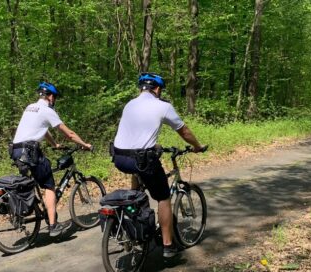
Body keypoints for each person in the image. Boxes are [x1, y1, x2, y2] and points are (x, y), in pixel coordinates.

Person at [111, 73, 206, 257]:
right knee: (163, 197)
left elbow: (134, 134)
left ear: (142, 89)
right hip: (141, 159)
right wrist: (197, 146)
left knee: (138, 174)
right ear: (157, 89)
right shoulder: (163, 106)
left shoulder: (130, 104)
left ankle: (136, 202)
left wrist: (154, 145)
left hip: (120, 157)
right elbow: (184, 131)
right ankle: (168, 245)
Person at [11, 82, 92, 236]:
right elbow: (69, 134)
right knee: (49, 185)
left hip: (16, 150)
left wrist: (54, 144)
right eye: (55, 98)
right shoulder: (47, 110)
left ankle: (42, 212)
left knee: (35, 180)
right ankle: (53, 226)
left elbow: (43, 129)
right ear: (51, 97)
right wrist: (85, 144)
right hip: (29, 151)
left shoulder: (30, 107)